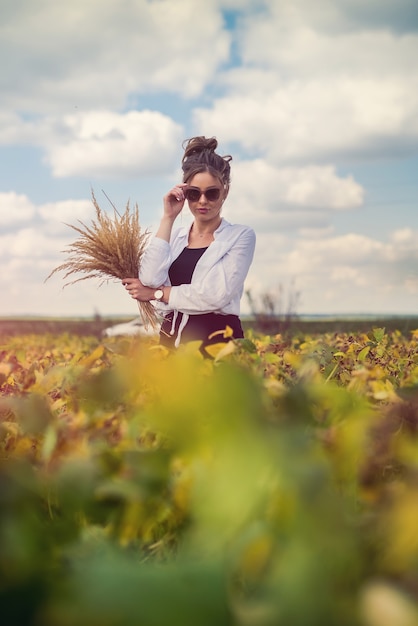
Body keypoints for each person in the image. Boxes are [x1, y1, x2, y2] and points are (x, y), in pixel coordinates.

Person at [122, 136, 256, 355]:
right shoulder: (174, 236)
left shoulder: (240, 236)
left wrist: (156, 294)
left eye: (212, 193)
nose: (203, 201)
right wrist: (168, 217)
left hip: (217, 346)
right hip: (169, 345)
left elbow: (215, 295)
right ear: (185, 194)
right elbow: (148, 279)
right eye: (194, 193)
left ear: (225, 192)